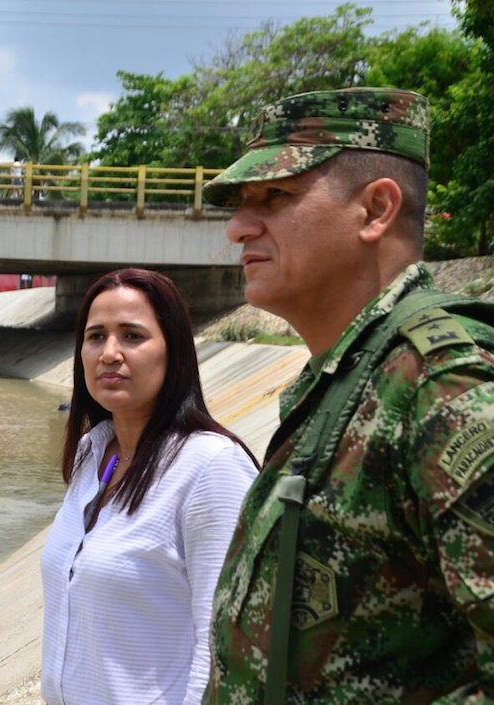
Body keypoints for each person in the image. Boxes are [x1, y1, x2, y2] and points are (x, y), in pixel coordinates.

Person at [201, 87, 494, 702]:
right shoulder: (346, 375)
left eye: (275, 196)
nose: (237, 227)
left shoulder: (444, 387)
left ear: (375, 210)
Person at [41, 268, 259, 705]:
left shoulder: (210, 468)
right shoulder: (93, 451)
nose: (110, 353)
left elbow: (221, 649)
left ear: (173, 351)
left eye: (132, 336)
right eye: (96, 336)